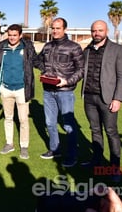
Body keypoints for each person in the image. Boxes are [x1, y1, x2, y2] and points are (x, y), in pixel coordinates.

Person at [81, 20, 122, 182]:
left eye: (100, 30)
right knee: (95, 130)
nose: (97, 33)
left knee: (111, 132)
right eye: (94, 30)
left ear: (106, 30)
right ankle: (97, 162)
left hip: (107, 99)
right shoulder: (87, 50)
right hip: (89, 97)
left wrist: (118, 98)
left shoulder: (118, 49)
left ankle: (115, 168)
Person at [37, 17, 84, 167]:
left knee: (68, 125)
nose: (55, 31)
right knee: (50, 123)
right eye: (53, 28)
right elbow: (37, 60)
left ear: (64, 29)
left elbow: (81, 69)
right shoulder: (47, 46)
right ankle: (54, 149)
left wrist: (67, 81)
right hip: (48, 91)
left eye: (58, 28)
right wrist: (44, 71)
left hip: (65, 92)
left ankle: (72, 156)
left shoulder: (74, 47)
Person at [0, 24, 38, 159]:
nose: (12, 38)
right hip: (6, 89)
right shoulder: (2, 48)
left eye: (15, 35)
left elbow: (37, 62)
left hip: (22, 89)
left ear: (20, 35)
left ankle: (24, 146)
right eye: (10, 35)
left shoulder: (27, 48)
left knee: (23, 120)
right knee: (8, 118)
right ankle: (9, 144)